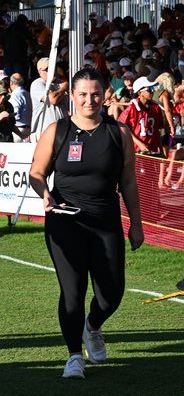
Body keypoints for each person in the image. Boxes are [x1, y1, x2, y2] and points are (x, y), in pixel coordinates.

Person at [28, 67, 143, 379]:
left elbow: (129, 181)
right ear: (73, 97)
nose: (89, 99)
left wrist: (137, 223)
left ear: (105, 94)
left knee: (112, 293)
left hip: (106, 221)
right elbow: (36, 173)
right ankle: (74, 356)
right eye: (83, 94)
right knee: (73, 291)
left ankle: (92, 326)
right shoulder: (58, 130)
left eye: (95, 93)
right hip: (65, 224)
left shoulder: (118, 133)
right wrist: (46, 195)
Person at [9, 73, 31, 141]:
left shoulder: (16, 94)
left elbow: (16, 114)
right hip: (29, 128)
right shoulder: (27, 93)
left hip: (18, 129)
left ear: (11, 83)